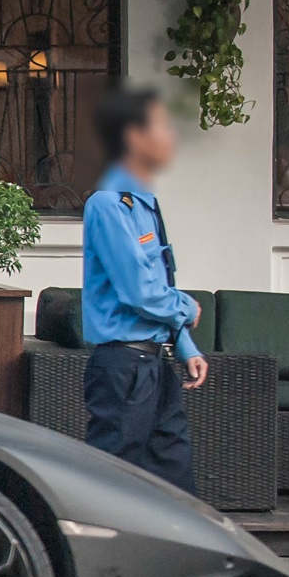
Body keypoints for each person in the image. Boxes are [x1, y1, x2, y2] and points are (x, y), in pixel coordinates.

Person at [79, 87, 206, 493]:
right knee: (112, 484)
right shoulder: (109, 204)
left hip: (154, 364)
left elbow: (158, 281)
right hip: (123, 369)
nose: (170, 137)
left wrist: (184, 346)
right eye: (161, 127)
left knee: (174, 481)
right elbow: (139, 291)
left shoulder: (144, 203)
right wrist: (185, 309)